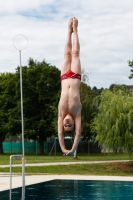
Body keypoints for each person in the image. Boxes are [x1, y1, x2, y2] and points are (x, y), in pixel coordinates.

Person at [58, 17, 82, 155]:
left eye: (65, 126)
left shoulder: (61, 114)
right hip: (75, 76)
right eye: (70, 126)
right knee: (75, 53)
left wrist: (63, 148)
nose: (67, 124)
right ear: (73, 122)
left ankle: (68, 31)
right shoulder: (77, 113)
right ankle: (75, 30)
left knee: (67, 54)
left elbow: (60, 135)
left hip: (64, 77)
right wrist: (72, 149)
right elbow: (78, 134)